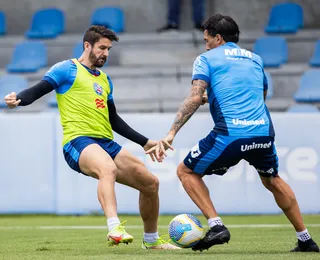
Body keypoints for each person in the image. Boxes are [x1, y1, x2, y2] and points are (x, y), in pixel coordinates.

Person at [147, 14, 319, 253]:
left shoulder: (206, 59)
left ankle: (216, 225)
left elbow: (195, 96)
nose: (205, 44)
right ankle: (306, 239)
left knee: (185, 171)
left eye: (207, 39)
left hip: (230, 133)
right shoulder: (255, 59)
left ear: (218, 38)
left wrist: (171, 133)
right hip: (263, 132)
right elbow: (260, 95)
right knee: (272, 180)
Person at [4, 25, 180, 250]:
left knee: (151, 184)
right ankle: (114, 227)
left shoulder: (105, 80)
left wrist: (146, 142)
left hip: (106, 142)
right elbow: (38, 90)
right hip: (78, 141)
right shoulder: (66, 69)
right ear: (87, 45)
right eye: (102, 48)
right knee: (107, 168)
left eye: (109, 49)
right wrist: (18, 98)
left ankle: (152, 241)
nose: (106, 53)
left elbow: (114, 120)